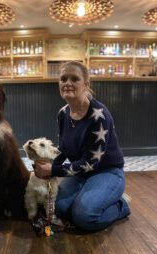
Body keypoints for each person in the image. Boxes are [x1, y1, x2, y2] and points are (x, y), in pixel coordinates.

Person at [35, 61, 131, 232]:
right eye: (63, 79)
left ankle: (120, 205)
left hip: (107, 171)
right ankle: (95, 196)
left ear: (85, 85)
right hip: (80, 172)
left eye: (74, 79)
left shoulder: (99, 116)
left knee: (84, 216)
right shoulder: (63, 113)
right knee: (59, 208)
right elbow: (63, 149)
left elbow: (90, 163)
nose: (67, 83)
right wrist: (45, 167)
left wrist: (53, 170)